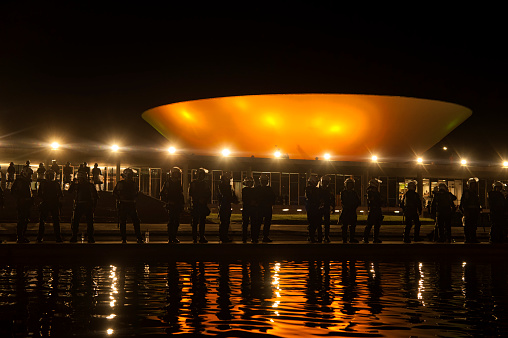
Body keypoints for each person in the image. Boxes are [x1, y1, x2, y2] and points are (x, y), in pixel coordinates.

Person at [113, 168, 144, 244]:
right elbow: (115, 193)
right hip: (124, 204)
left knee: (135, 221)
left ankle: (137, 237)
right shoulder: (122, 184)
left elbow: (136, 193)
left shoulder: (132, 183)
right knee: (124, 222)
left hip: (130, 204)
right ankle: (125, 238)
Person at [68, 171, 99, 243]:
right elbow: (70, 191)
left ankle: (90, 237)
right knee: (76, 221)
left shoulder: (89, 185)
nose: (80, 180)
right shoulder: (80, 185)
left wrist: (94, 206)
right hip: (80, 204)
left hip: (86, 204)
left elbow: (95, 196)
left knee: (89, 222)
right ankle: (75, 236)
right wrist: (73, 184)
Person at [37, 169, 63, 243]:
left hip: (48, 203)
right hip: (52, 203)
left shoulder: (44, 183)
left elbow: (39, 195)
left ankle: (40, 237)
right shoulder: (55, 184)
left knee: (44, 221)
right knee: (55, 221)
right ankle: (57, 237)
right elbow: (60, 194)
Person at [160, 167, 185, 243]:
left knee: (176, 221)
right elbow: (162, 194)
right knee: (171, 221)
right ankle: (170, 237)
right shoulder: (168, 182)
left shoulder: (178, 182)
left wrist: (182, 203)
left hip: (177, 204)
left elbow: (180, 194)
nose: (177, 175)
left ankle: (174, 236)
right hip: (171, 205)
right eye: (176, 173)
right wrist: (167, 202)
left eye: (178, 173)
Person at [11, 166, 33, 243]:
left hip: (25, 203)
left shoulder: (24, 181)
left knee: (25, 220)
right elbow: (14, 192)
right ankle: (20, 236)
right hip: (22, 204)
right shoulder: (20, 181)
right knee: (22, 220)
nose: (30, 176)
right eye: (30, 174)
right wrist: (21, 199)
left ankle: (22, 236)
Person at [189, 168, 211, 243]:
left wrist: (204, 199)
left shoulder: (205, 184)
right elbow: (191, 193)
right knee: (195, 222)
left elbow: (208, 194)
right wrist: (198, 199)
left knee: (202, 221)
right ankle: (195, 237)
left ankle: (201, 236)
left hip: (202, 205)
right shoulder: (194, 183)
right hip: (196, 204)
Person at [253, 173, 275, 243]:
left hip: (262, 208)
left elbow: (273, 198)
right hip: (263, 208)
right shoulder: (268, 189)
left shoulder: (257, 189)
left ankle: (258, 237)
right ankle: (259, 237)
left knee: (262, 223)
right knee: (260, 223)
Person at [217, 171, 238, 243]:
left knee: (226, 221)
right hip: (224, 205)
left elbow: (232, 195)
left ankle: (224, 236)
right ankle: (223, 236)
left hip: (227, 205)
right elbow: (226, 195)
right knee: (224, 221)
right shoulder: (222, 186)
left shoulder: (227, 186)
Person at [459, 177, 481, 243]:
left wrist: (478, 208)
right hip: (468, 211)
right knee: (468, 226)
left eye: (474, 184)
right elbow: (464, 202)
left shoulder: (474, 193)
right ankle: (468, 238)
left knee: (473, 226)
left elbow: (477, 202)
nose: (474, 186)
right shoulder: (467, 192)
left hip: (474, 212)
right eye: (472, 184)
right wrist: (465, 211)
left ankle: (473, 238)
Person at [339, 177, 360, 243]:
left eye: (351, 184)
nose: (350, 186)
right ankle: (344, 239)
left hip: (352, 210)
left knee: (352, 225)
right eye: (349, 184)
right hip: (346, 210)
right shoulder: (343, 192)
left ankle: (351, 238)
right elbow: (344, 201)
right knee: (344, 226)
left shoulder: (354, 193)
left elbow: (358, 201)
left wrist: (354, 206)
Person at [364, 178, 383, 243]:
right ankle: (366, 238)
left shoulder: (374, 192)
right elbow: (373, 201)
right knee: (370, 225)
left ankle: (374, 238)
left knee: (376, 225)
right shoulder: (371, 192)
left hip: (376, 209)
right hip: (374, 210)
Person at [319, 175, 335, 243]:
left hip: (326, 207)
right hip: (320, 207)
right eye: (324, 182)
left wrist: (333, 207)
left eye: (326, 182)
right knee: (319, 222)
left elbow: (332, 199)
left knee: (327, 223)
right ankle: (320, 236)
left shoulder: (329, 189)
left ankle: (326, 236)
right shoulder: (318, 189)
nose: (325, 184)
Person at [305, 174, 321, 242]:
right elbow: (310, 198)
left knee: (315, 223)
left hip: (315, 208)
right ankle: (311, 237)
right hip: (311, 208)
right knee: (312, 223)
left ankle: (312, 236)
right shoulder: (308, 189)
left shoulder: (316, 189)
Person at [241, 176, 257, 243]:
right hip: (249, 208)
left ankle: (247, 237)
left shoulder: (245, 190)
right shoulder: (247, 190)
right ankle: (249, 237)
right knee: (248, 223)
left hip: (248, 208)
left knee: (248, 223)